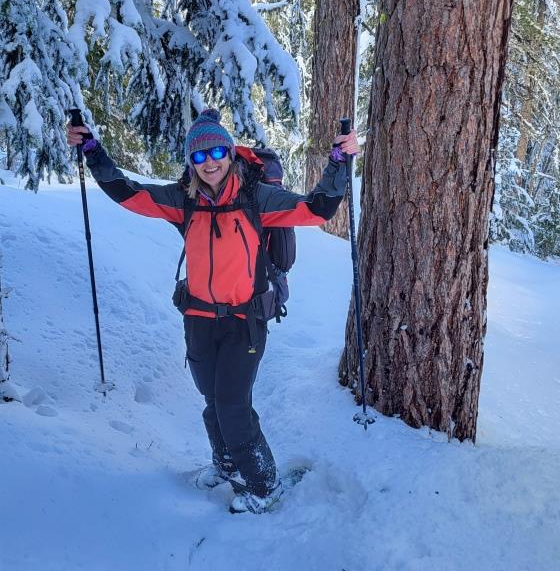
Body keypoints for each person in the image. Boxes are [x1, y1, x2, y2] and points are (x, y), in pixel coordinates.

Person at [66, 109, 360, 513]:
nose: (210, 162)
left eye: (218, 151)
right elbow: (128, 193)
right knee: (211, 400)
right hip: (199, 320)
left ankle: (264, 486)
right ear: (191, 161)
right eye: (200, 155)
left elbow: (317, 209)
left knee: (233, 406)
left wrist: (339, 163)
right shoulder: (183, 200)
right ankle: (227, 465)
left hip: (245, 321)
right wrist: (93, 151)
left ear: (230, 153)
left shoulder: (257, 198)